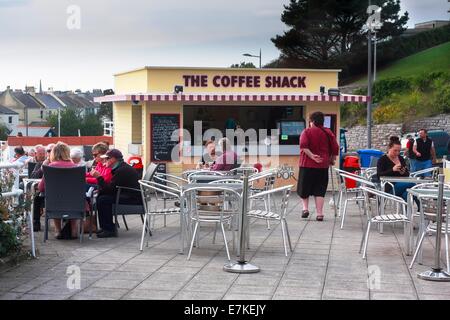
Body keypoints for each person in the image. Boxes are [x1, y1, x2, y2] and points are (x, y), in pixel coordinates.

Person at [298, 111, 339, 221]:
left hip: (306, 164)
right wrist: (331, 159)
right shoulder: (328, 132)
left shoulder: (306, 132)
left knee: (304, 188)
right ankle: (320, 214)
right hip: (322, 166)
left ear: (313, 121)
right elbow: (335, 148)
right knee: (320, 189)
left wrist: (312, 156)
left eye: (310, 121)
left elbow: (303, 146)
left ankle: (305, 209)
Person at [92, 149, 141, 238]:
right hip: (129, 194)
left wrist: (99, 178)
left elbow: (110, 189)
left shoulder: (121, 170)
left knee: (103, 199)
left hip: (133, 199)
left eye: (106, 159)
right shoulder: (120, 168)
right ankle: (106, 227)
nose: (104, 161)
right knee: (102, 197)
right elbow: (112, 188)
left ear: (113, 159)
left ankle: (109, 230)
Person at [38, 142, 79, 239]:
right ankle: (74, 230)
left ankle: (58, 230)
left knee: (54, 196)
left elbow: (41, 188)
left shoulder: (50, 167)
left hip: (55, 203)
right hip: (74, 204)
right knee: (72, 198)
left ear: (54, 153)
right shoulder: (77, 167)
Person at [377, 136, 418, 205]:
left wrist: (403, 172)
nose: (397, 153)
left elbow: (407, 174)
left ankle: (405, 213)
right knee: (413, 185)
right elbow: (379, 175)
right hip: (390, 187)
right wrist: (392, 170)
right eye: (395, 150)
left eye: (399, 151)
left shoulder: (401, 158)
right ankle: (421, 208)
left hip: (402, 184)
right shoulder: (382, 159)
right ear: (389, 149)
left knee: (407, 194)